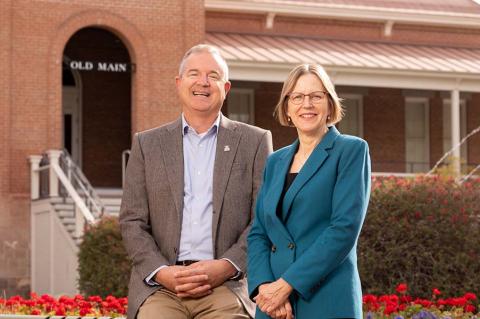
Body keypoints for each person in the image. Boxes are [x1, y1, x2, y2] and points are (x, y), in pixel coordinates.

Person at [119, 44, 273, 319]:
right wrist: (163, 272)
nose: (203, 82)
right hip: (161, 288)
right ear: (179, 83)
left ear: (225, 88)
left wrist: (226, 266)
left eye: (212, 75)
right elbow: (132, 221)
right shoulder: (147, 144)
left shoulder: (255, 142)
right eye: (194, 74)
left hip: (227, 286)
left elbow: (263, 219)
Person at [247, 64, 371, 319]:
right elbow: (259, 233)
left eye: (316, 96)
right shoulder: (275, 161)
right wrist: (265, 288)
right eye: (298, 97)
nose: (307, 104)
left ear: (329, 104)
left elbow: (343, 229)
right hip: (274, 306)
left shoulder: (351, 151)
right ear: (287, 107)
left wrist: (286, 285)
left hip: (326, 298)